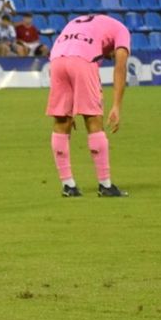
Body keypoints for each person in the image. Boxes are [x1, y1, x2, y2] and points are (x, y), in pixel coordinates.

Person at [47, 14, 131, 198]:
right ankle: (105, 185)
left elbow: (59, 52)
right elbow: (121, 67)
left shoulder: (80, 21)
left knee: (61, 121)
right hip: (83, 60)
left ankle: (68, 185)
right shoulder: (121, 30)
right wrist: (116, 106)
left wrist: (67, 107)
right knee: (93, 119)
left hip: (56, 60)